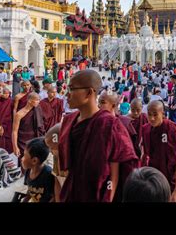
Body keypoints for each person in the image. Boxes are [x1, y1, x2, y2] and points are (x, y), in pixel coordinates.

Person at [58, 70, 138, 202]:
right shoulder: (69, 120)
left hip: (98, 194)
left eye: (71, 89)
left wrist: (109, 197)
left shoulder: (109, 124)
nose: (67, 94)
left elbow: (114, 172)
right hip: (73, 191)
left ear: (89, 93)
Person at [141, 100, 176, 202]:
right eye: (149, 115)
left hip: (171, 177)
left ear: (163, 114)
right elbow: (145, 156)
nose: (152, 118)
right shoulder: (145, 129)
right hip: (154, 177)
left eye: (155, 114)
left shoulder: (172, 129)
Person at [12, 92, 45, 159]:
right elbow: (14, 131)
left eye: (39, 100)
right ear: (29, 101)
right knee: (24, 162)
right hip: (23, 142)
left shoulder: (37, 109)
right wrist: (15, 147)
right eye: (36, 100)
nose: (38, 102)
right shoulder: (19, 114)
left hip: (36, 139)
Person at [21, 138, 55, 203]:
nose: (22, 159)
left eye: (24, 156)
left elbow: (54, 197)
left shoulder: (48, 175)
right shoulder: (28, 171)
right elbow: (30, 190)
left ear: (34, 161)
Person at [0, 87, 14, 153]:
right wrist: (0, 125)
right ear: (1, 94)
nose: (6, 95)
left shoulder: (11, 101)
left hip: (9, 123)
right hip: (0, 123)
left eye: (8, 93)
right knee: (1, 139)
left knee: (8, 139)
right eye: (5, 93)